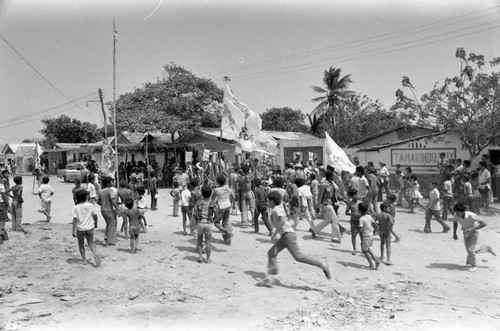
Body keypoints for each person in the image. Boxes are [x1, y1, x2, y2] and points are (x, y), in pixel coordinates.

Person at [259, 191, 332, 288]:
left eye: (269, 201)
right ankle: (269, 277)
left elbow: (281, 221)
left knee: (299, 257)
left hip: (287, 235)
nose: (267, 202)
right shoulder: (277, 208)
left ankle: (323, 265)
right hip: (286, 235)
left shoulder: (275, 210)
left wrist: (274, 233)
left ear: (272, 201)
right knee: (271, 253)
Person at [449, 202, 496, 272]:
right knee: (469, 250)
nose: (457, 214)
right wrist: (454, 233)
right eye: (456, 212)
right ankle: (486, 249)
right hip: (465, 232)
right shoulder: (456, 215)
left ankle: (474, 265)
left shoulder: (471, 215)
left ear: (463, 211)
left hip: (474, 232)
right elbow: (455, 223)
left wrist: (473, 229)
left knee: (470, 250)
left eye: (458, 212)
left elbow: (484, 223)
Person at [310, 170, 341, 243]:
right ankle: (335, 237)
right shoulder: (324, 184)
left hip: (331, 204)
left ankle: (314, 230)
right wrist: (318, 206)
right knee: (335, 220)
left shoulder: (332, 184)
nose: (334, 177)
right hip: (326, 204)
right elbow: (320, 196)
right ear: (330, 176)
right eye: (333, 175)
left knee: (327, 220)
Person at [72, 190, 101, 266]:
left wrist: (73, 230)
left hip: (80, 228)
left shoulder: (76, 207)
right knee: (91, 242)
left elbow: (75, 219)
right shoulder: (91, 205)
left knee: (81, 244)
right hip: (89, 228)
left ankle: (84, 260)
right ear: (86, 197)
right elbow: (95, 215)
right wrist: (96, 223)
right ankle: (95, 252)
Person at [193, 185, 217, 263]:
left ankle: (200, 257)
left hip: (200, 223)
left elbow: (195, 213)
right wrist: (214, 219)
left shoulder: (198, 202)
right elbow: (216, 213)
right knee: (208, 242)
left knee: (199, 240)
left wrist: (197, 220)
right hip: (209, 223)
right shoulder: (212, 202)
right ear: (210, 194)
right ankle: (208, 258)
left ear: (202, 193)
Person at [212, 174, 234, 243]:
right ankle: (227, 240)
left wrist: (213, 206)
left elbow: (212, 199)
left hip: (221, 207)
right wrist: (234, 204)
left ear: (218, 182)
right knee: (225, 222)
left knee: (216, 222)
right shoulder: (228, 188)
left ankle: (227, 232)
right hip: (228, 206)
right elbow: (232, 196)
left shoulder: (216, 190)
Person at [358, 202, 380, 270]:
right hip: (371, 235)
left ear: (359, 211)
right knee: (367, 249)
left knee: (364, 251)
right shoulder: (369, 216)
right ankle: (376, 260)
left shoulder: (361, 219)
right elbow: (375, 224)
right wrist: (375, 231)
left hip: (366, 236)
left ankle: (372, 264)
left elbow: (361, 229)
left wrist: (361, 237)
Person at [97, 176, 119, 246]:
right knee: (112, 225)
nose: (113, 183)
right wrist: (118, 208)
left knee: (108, 224)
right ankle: (110, 241)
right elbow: (112, 200)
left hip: (103, 210)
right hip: (109, 210)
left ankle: (106, 239)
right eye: (112, 181)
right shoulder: (110, 191)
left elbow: (98, 202)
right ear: (108, 183)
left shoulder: (101, 191)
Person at [345, 188, 362, 255]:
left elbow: (365, 211)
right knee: (354, 235)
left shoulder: (360, 203)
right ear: (352, 196)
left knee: (362, 235)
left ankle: (362, 248)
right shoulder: (350, 203)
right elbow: (346, 213)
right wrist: (352, 214)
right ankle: (354, 248)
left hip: (360, 221)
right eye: (355, 195)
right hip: (353, 221)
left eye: (357, 194)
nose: (357, 196)